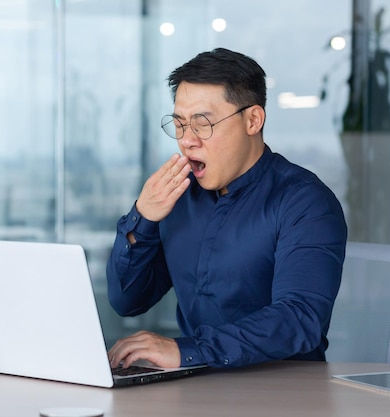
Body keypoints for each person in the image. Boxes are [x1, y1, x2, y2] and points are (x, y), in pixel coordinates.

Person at [106, 48, 347, 370]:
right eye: (179, 124)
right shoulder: (179, 197)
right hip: (195, 383)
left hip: (285, 390)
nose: (187, 140)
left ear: (253, 120)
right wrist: (144, 218)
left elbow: (299, 318)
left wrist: (187, 351)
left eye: (202, 124)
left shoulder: (305, 202)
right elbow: (129, 301)